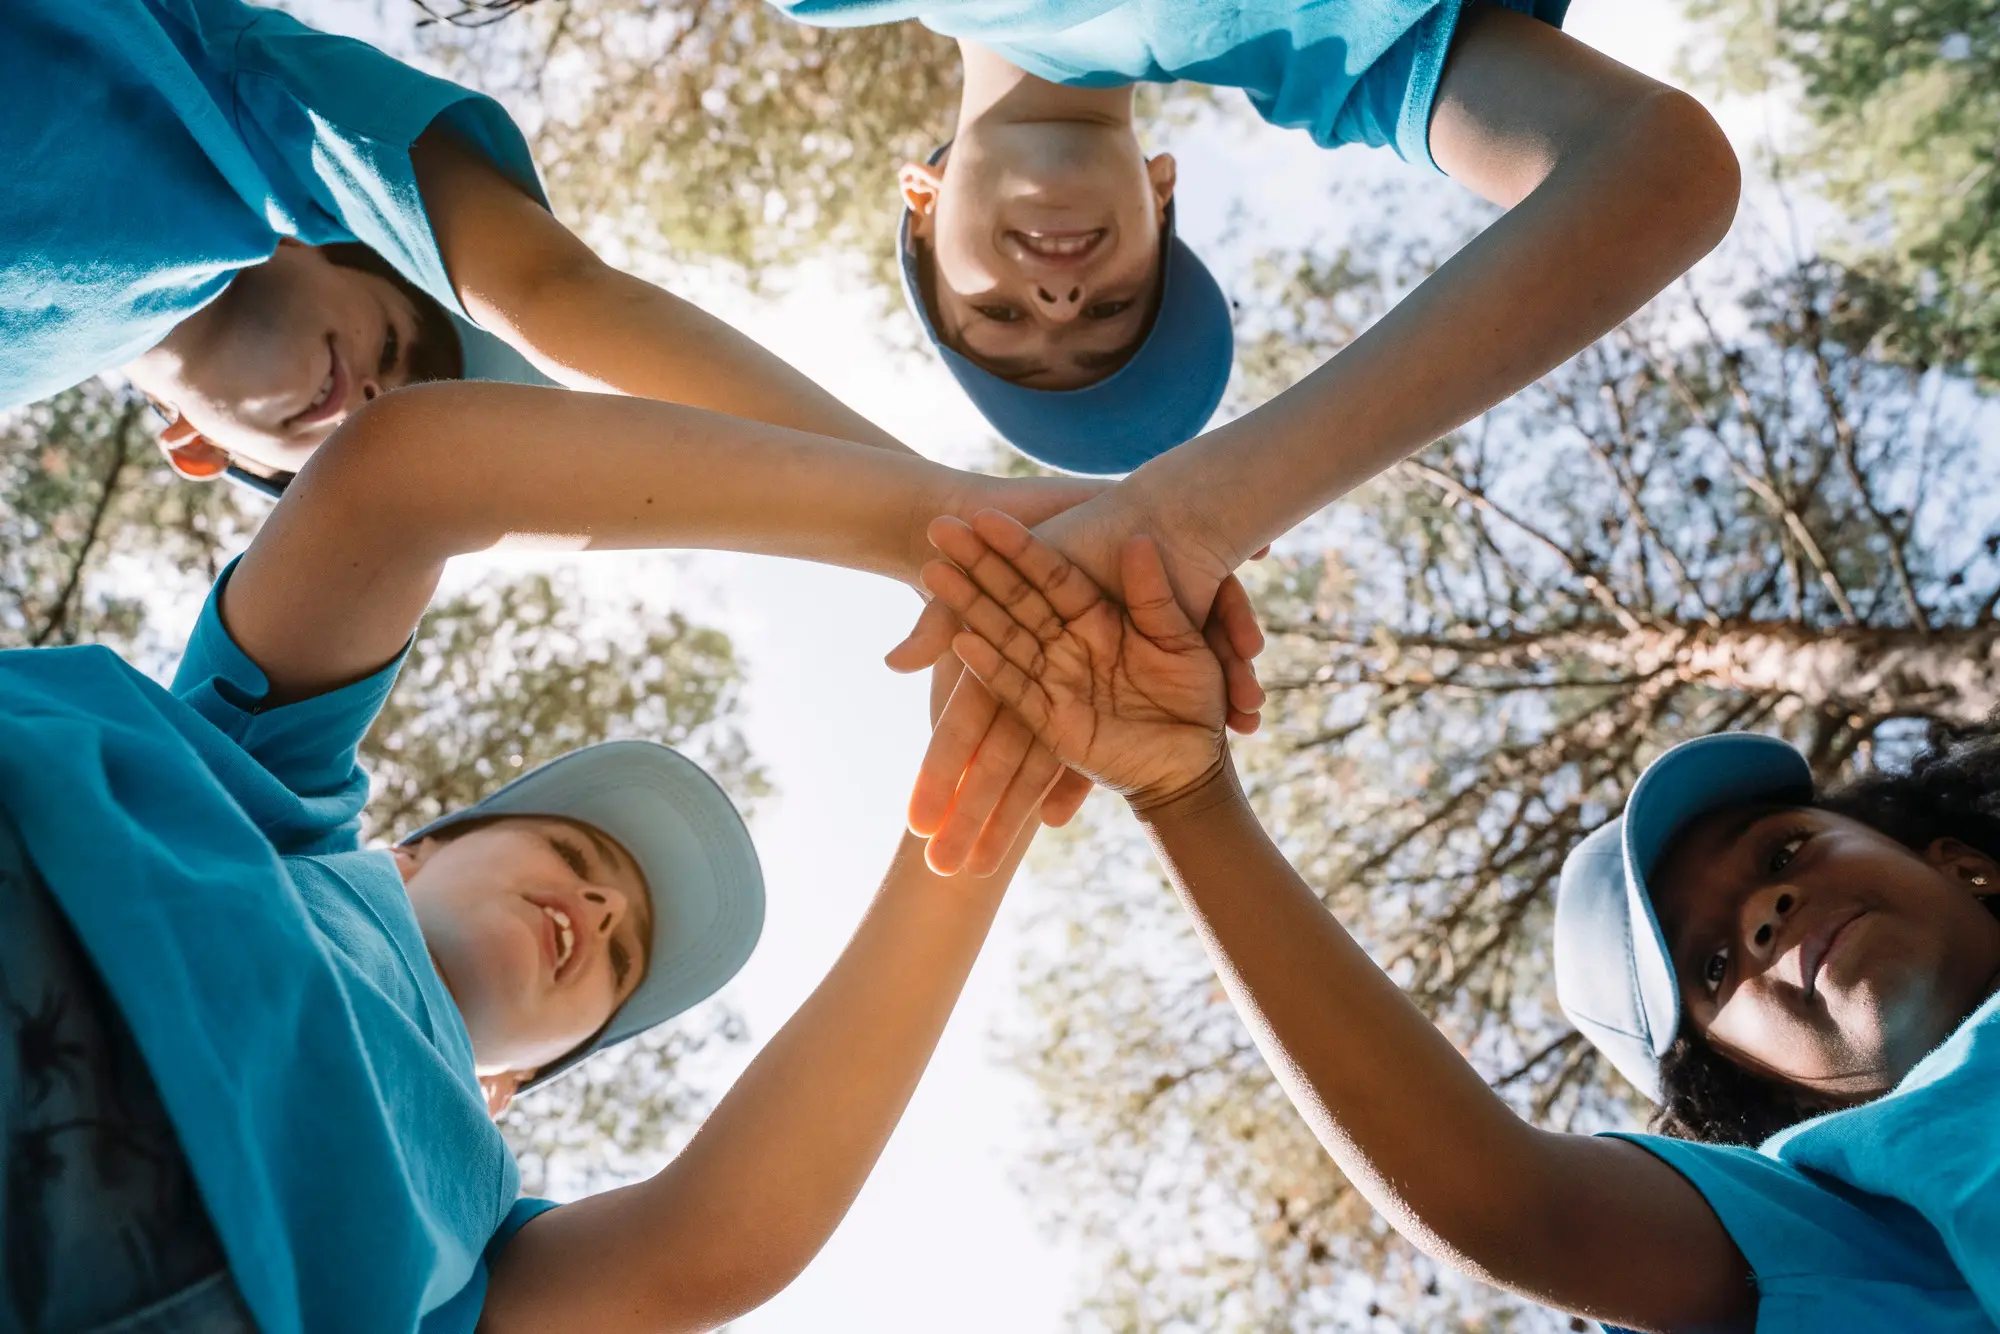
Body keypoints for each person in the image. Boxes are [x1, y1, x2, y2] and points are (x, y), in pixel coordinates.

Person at [0, 380, 1101, 1331]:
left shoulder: (478, 1246)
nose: (602, 910)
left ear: (514, 1080)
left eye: (621, 966)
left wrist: (982, 805)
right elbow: (404, 476)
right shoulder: (258, 796)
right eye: (578, 850)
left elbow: (717, 1242)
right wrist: (936, 526)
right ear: (417, 850)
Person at [915, 508, 2000, 1332]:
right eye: (1711, 965)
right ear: (1772, 1093)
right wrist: (1185, 793)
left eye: (1781, 852)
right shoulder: (1847, 1213)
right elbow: (1518, 1207)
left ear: (1956, 860)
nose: (1762, 913)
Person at [8, 0, 941, 497]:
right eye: (390, 345)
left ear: (202, 450)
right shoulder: (243, 125)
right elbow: (554, 287)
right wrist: (942, 517)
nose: (371, 399)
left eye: (381, 431)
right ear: (335, 242)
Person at [769, 1, 1734, 475]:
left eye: (997, 314)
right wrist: (1215, 507)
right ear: (1161, 196)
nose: (1059, 302)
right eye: (1111, 309)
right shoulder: (1336, 62)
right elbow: (1661, 170)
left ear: (923, 199)